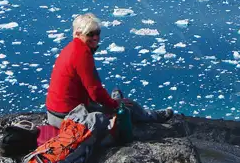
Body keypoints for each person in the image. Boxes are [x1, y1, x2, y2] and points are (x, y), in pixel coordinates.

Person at [45, 13, 173, 128]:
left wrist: (109, 102)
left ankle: (144, 113)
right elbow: (95, 91)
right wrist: (114, 104)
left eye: (97, 33)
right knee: (125, 108)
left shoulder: (72, 48)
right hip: (67, 117)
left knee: (116, 105)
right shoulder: (81, 54)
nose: (95, 37)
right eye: (90, 34)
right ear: (78, 34)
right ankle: (151, 116)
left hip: (56, 113)